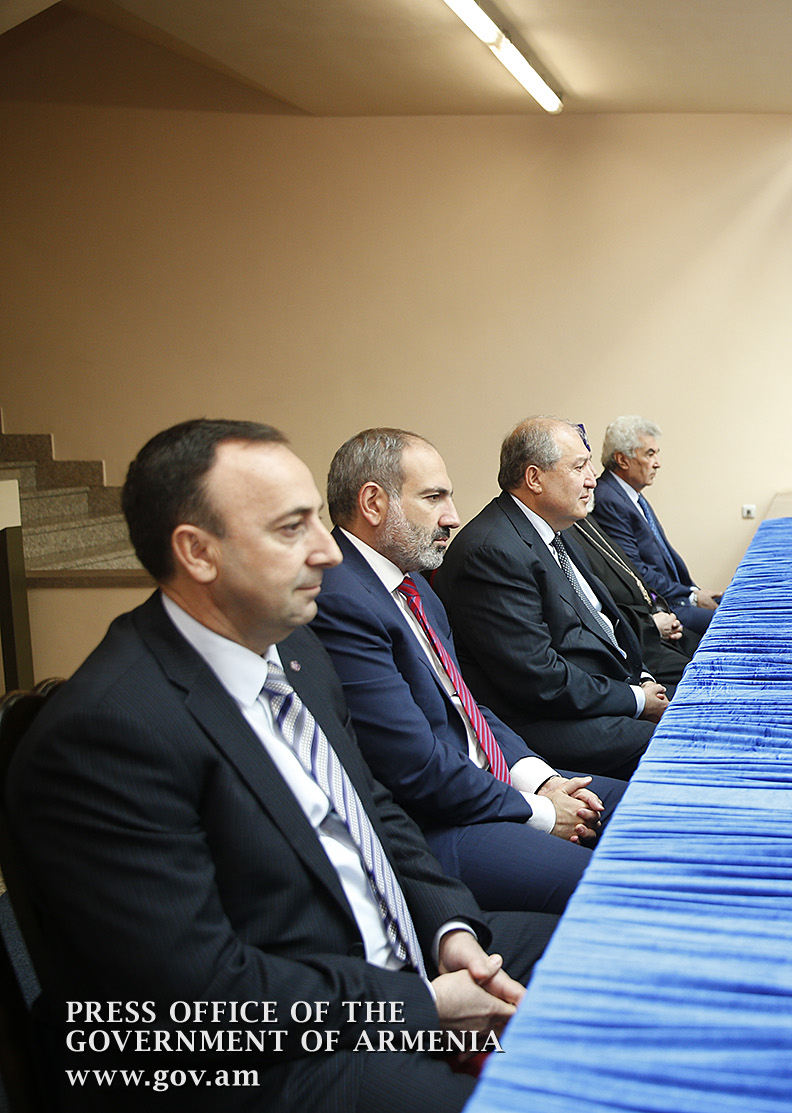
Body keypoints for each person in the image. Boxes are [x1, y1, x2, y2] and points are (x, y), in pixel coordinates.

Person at [6, 419, 554, 1112]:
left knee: (604, 947)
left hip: (394, 959)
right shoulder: (106, 735)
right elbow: (202, 994)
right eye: (293, 528)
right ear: (198, 552)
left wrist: (450, 930)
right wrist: (418, 1004)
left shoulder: (294, 649)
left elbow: (373, 808)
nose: (329, 550)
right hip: (281, 1055)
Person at [311, 427, 631, 915]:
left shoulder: (414, 584)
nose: (453, 516)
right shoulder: (340, 600)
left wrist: (541, 780)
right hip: (444, 826)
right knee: (618, 889)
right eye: (433, 497)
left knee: (650, 809)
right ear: (374, 504)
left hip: (495, 785)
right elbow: (413, 765)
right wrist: (541, 810)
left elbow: (466, 704)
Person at [433, 417, 667, 780]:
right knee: (680, 743)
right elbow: (539, 679)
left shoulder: (557, 527)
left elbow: (603, 621)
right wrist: (637, 701)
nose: (592, 479)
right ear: (534, 478)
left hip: (600, 691)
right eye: (579, 467)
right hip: (546, 723)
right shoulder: (491, 552)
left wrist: (641, 680)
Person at [589, 415, 721, 639]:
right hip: (661, 608)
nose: (657, 463)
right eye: (650, 454)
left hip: (676, 597)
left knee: (741, 605)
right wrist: (691, 597)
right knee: (732, 621)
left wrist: (693, 592)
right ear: (622, 460)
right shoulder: (608, 500)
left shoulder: (630, 494)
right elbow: (635, 571)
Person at [566, 512, 693, 696]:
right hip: (635, 642)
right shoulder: (563, 530)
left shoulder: (582, 519)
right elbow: (597, 609)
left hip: (649, 624)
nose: (590, 487)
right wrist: (650, 625)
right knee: (700, 675)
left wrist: (659, 611)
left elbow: (632, 577)